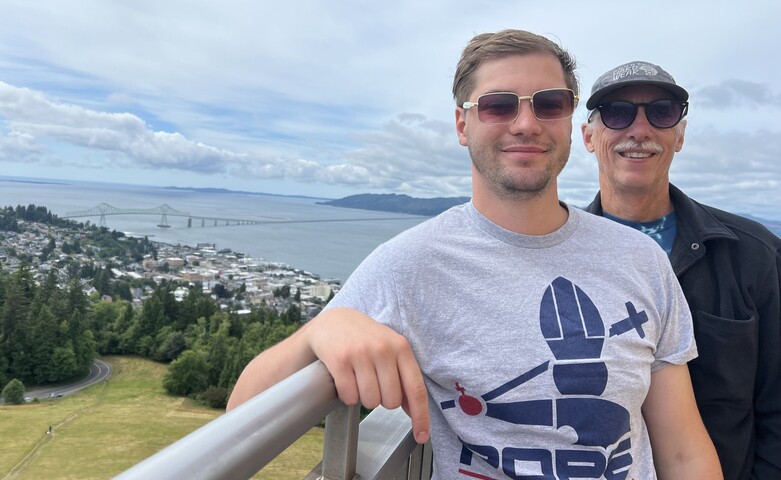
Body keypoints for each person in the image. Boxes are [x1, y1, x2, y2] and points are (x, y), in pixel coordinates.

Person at [229, 30, 722, 478]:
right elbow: (242, 419)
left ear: (571, 121)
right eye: (498, 106)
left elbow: (682, 451)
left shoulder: (641, 260)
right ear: (462, 125)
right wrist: (321, 330)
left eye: (549, 103)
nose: (526, 123)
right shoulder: (410, 265)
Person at [581, 60, 781, 480]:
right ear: (589, 137)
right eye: (617, 113)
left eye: (661, 112)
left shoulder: (755, 255)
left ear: (680, 135)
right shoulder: (558, 261)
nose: (640, 129)